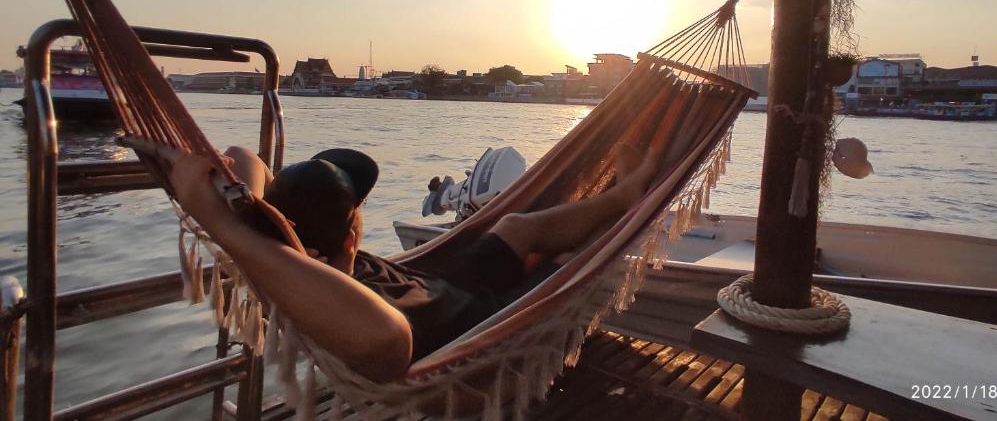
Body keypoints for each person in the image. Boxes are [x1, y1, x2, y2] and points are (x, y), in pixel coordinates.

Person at [167, 144, 657, 382]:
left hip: (438, 281)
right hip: (475, 324)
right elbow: (387, 340)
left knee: (514, 228)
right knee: (571, 264)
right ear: (351, 222)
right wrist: (228, 227)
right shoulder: (323, 297)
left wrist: (248, 215)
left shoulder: (282, 246)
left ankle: (624, 196)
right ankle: (566, 254)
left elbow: (239, 156)